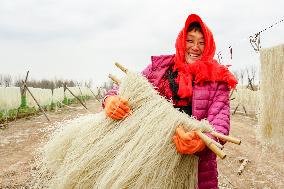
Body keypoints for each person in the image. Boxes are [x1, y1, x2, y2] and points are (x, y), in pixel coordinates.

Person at [103, 13, 237, 189]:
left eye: (202, 43)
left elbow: (220, 121)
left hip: (196, 170)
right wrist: (111, 99)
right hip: (153, 161)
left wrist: (202, 140)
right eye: (190, 41)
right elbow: (130, 86)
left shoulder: (217, 79)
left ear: (209, 46)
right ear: (182, 42)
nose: (195, 47)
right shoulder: (160, 69)